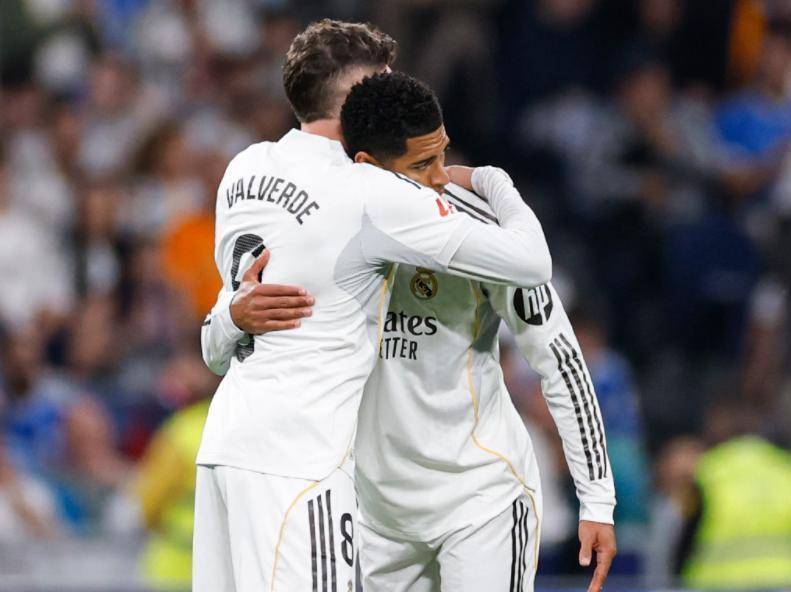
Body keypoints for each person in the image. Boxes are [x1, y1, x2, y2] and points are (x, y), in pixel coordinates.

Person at [204, 72, 616, 592]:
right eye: (422, 165)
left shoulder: (478, 233)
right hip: (378, 517)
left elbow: (561, 361)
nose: (442, 178)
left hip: (481, 499)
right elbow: (216, 346)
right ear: (368, 168)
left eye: (443, 154)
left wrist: (597, 499)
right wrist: (231, 315)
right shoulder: (322, 230)